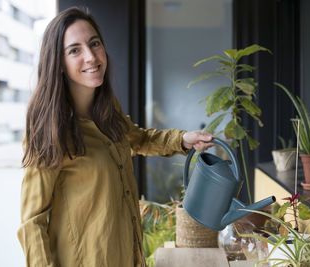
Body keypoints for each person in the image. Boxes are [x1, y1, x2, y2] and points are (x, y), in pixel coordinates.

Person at [17, 7, 213, 267]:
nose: (90, 56)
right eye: (74, 50)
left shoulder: (108, 110)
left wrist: (182, 139)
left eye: (94, 43)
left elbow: (138, 139)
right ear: (59, 63)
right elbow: (32, 221)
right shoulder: (49, 129)